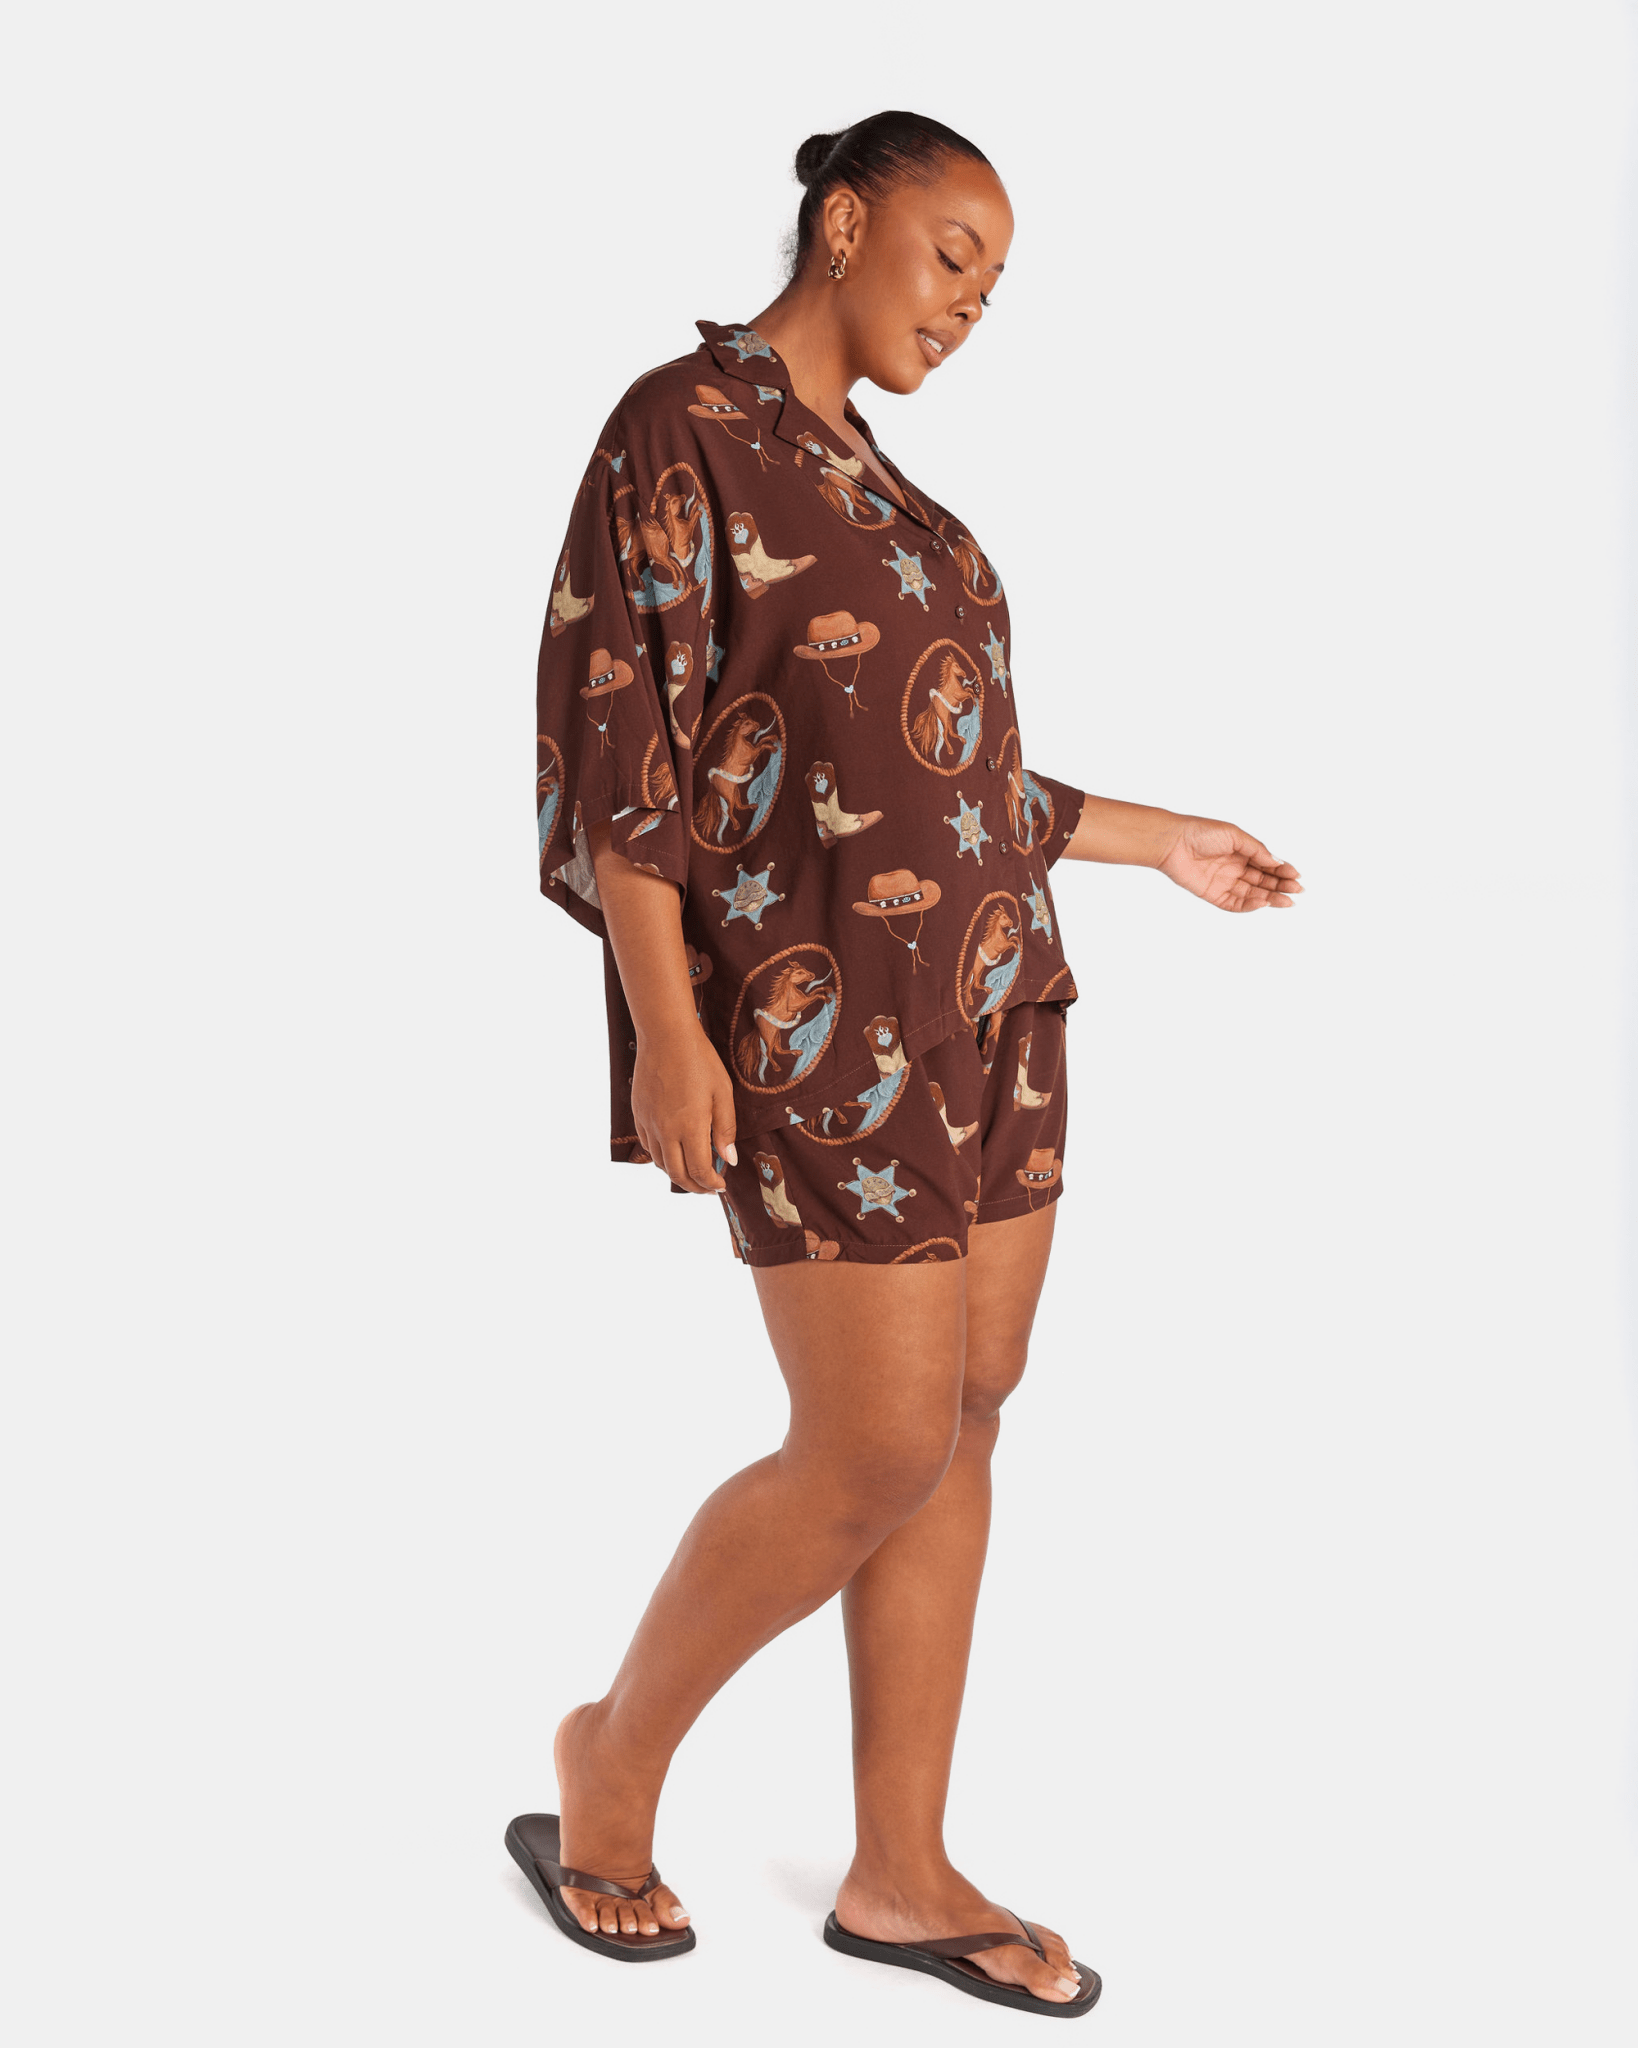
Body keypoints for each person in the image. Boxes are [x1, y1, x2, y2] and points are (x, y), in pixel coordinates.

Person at [514, 110, 1302, 2016]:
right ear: (846, 221)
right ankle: (608, 1763)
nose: (968, 306)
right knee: (869, 1439)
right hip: (815, 1018)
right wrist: (670, 1028)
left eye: (993, 288)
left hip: (987, 995)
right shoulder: (683, 429)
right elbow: (629, 745)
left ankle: (896, 1870)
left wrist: (1161, 842)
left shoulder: (890, 493)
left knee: (964, 1411)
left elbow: (933, 779)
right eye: (953, 257)